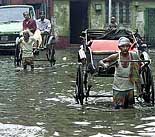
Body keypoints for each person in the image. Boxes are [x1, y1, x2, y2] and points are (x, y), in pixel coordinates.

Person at [98, 37, 141, 109]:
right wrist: (104, 65)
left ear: (129, 47)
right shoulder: (116, 56)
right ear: (119, 47)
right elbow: (101, 61)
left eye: (127, 46)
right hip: (118, 86)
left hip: (129, 85)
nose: (125, 48)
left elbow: (140, 65)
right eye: (123, 46)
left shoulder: (134, 55)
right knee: (118, 107)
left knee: (130, 107)